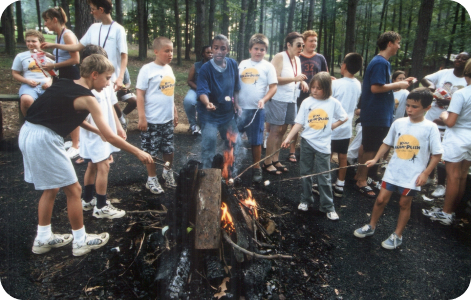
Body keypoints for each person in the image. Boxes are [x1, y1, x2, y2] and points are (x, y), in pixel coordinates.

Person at [20, 54, 153, 256]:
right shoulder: (89, 99)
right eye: (107, 78)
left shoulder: (64, 84)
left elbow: (69, 112)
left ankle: (43, 238)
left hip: (29, 132)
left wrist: (96, 130)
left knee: (51, 188)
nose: (108, 83)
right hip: (45, 139)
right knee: (74, 190)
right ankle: (81, 241)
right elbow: (110, 136)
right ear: (94, 74)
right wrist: (138, 152)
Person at [354, 88, 442, 249]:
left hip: (413, 175)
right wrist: (375, 159)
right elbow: (387, 143)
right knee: (380, 199)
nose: (409, 109)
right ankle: (371, 226)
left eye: (414, 107)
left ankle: (398, 235)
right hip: (393, 171)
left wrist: (425, 173)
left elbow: (437, 155)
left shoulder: (430, 128)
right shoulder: (398, 122)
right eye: (407, 105)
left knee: (403, 203)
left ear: (427, 108)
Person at [41, 0, 129, 128]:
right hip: (91, 77)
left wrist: (120, 77)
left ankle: (114, 132)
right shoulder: (94, 28)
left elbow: (124, 55)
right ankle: (99, 136)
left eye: (93, 9)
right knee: (93, 110)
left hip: (107, 77)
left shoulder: (118, 29)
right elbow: (77, 46)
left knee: (105, 108)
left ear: (101, 9)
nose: (91, 12)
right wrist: (53, 45)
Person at [354, 31, 414, 199]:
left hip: (380, 113)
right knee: (371, 149)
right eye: (398, 43)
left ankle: (362, 176)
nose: (399, 46)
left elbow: (383, 87)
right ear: (390, 43)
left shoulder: (383, 62)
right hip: (375, 113)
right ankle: (361, 181)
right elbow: (375, 88)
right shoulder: (380, 62)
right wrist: (398, 84)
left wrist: (400, 84)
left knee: (371, 147)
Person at [281, 72, 347, 220]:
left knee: (324, 176)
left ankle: (328, 206)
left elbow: (344, 117)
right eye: (313, 87)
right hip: (306, 143)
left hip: (323, 145)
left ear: (327, 88)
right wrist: (288, 138)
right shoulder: (307, 102)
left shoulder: (333, 103)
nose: (315, 91)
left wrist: (331, 126)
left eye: (319, 88)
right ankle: (306, 200)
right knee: (306, 173)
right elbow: (299, 123)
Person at [79, 45, 126, 218]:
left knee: (93, 164)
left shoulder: (105, 84)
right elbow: (81, 120)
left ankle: (88, 198)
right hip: (96, 133)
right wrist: (100, 132)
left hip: (106, 130)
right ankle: (100, 206)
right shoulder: (87, 88)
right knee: (103, 166)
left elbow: (111, 107)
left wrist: (119, 126)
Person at [423, 59, 471, 225]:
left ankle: (446, 212)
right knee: (462, 176)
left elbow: (450, 122)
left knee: (453, 176)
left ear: (466, 74)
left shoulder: (462, 94)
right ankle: (453, 211)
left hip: (458, 137)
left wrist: (443, 116)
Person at [136, 37, 178, 194]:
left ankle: (167, 171)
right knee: (151, 151)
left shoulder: (169, 69)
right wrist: (142, 117)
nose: (170, 54)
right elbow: (140, 95)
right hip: (152, 120)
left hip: (166, 119)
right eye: (167, 51)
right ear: (156, 52)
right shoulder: (147, 70)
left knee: (168, 148)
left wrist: (174, 111)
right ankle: (151, 179)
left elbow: (169, 92)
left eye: (172, 50)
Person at [263, 32, 308, 175]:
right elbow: (274, 78)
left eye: (302, 45)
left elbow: (296, 77)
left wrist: (302, 81)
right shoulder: (280, 56)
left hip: (292, 98)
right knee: (275, 130)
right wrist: (295, 78)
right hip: (278, 98)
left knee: (283, 130)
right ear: (289, 45)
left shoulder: (297, 59)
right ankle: (267, 162)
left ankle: (275, 159)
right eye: (298, 45)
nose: (301, 47)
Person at [42, 6, 82, 160]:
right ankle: (73, 141)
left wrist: (53, 66)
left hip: (71, 75)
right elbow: (63, 57)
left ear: (55, 20)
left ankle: (76, 145)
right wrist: (48, 56)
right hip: (63, 76)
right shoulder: (59, 35)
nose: (45, 24)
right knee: (65, 108)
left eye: (46, 20)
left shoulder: (67, 35)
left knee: (72, 109)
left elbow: (75, 60)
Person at [237, 33, 278, 183]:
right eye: (256, 48)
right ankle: (231, 166)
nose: (259, 52)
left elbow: (273, 88)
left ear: (265, 51)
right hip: (240, 109)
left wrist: (264, 99)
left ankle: (256, 168)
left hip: (257, 110)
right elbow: (236, 85)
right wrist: (235, 102)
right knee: (234, 138)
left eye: (262, 49)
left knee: (256, 141)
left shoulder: (268, 67)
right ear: (250, 49)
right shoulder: (242, 64)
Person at [196, 34, 240, 169]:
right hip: (209, 116)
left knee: (232, 144)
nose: (219, 51)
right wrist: (207, 103)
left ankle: (229, 174)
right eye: (216, 48)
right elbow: (202, 91)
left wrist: (236, 104)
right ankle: (206, 177)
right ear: (212, 49)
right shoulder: (205, 68)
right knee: (209, 145)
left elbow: (236, 87)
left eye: (223, 48)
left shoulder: (232, 64)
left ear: (227, 50)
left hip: (227, 114)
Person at [286, 30, 329, 163]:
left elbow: (325, 76)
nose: (313, 43)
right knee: (296, 122)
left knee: (314, 122)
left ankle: (312, 150)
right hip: (299, 95)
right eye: (311, 41)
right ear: (303, 42)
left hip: (315, 97)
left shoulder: (320, 58)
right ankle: (292, 151)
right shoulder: (298, 57)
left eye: (315, 41)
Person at [329, 53, 362, 198]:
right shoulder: (358, 83)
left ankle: (323, 181)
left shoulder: (335, 84)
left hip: (333, 125)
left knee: (327, 155)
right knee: (343, 156)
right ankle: (340, 184)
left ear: (344, 66)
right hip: (346, 127)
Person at [11, 30, 53, 117]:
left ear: (41, 42)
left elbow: (56, 74)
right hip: (29, 86)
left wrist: (50, 82)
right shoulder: (21, 56)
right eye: (28, 41)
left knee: (53, 101)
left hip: (47, 85)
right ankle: (30, 122)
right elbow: (15, 73)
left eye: (34, 41)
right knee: (26, 100)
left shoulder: (48, 56)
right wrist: (27, 81)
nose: (30, 43)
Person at [184, 46, 213, 135]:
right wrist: (199, 88)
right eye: (208, 52)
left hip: (210, 92)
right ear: (203, 54)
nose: (210, 54)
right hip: (196, 89)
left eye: (212, 52)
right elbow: (189, 81)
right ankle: (193, 125)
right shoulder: (196, 65)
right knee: (188, 101)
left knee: (207, 104)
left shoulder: (216, 66)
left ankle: (202, 126)